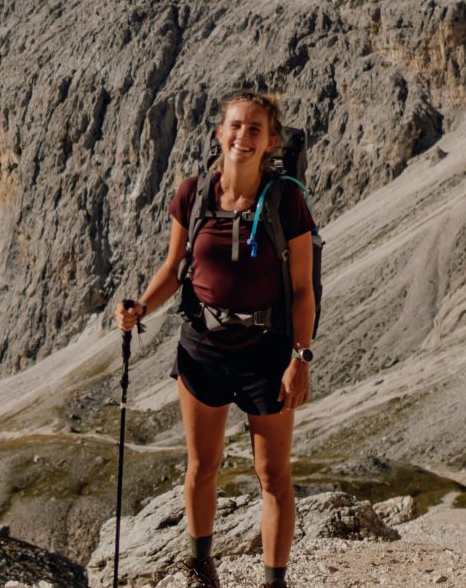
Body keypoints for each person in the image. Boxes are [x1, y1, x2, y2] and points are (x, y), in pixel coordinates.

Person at [115, 91, 317, 588]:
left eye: (254, 129)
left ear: (271, 142)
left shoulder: (286, 201)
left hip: (267, 351)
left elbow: (302, 290)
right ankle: (201, 566)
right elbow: (174, 268)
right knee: (202, 465)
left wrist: (300, 358)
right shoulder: (193, 193)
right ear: (219, 133)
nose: (242, 136)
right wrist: (141, 308)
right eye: (235, 126)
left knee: (273, 476)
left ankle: (274, 582)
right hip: (202, 346)